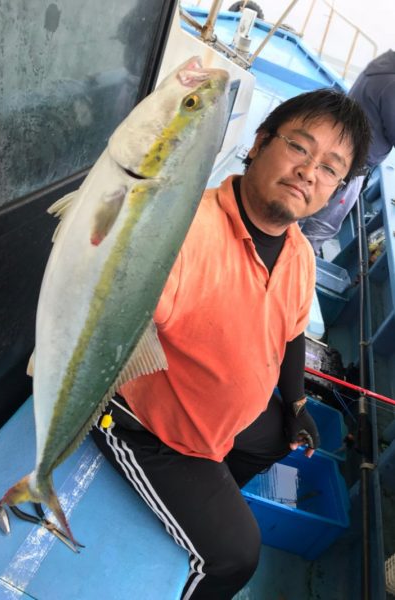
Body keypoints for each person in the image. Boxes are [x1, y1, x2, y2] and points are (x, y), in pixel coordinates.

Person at [91, 89, 370, 599]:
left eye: (331, 168)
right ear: (260, 143)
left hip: (221, 421)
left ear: (336, 191)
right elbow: (113, 323)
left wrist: (297, 404)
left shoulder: (299, 252)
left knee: (276, 438)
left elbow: (289, 337)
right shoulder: (183, 233)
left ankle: (206, 497)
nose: (310, 172)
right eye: (299, 148)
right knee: (237, 557)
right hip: (148, 427)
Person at [301, 50, 395, 255]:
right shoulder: (392, 82)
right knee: (320, 228)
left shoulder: (385, 64)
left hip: (342, 151)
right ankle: (293, 267)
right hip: (351, 166)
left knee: (307, 214)